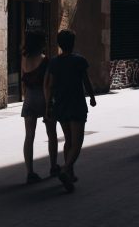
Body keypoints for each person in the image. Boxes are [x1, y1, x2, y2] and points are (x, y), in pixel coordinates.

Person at [45, 29, 96, 192]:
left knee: (68, 139)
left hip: (60, 105)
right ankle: (66, 169)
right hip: (76, 104)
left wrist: (48, 107)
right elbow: (86, 81)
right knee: (78, 142)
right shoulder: (79, 61)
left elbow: (51, 86)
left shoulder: (54, 62)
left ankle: (70, 173)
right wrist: (92, 97)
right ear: (73, 43)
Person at [20, 30, 57, 184]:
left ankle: (30, 172)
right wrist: (49, 106)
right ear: (40, 43)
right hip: (43, 98)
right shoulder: (45, 60)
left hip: (29, 98)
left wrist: (25, 97)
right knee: (51, 134)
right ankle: (53, 166)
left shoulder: (24, 59)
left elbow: (24, 81)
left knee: (29, 136)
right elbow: (46, 86)